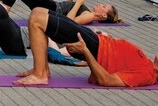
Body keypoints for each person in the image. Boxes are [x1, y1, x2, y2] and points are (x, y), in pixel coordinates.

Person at [15, 7, 158, 87]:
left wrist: (85, 51)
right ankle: (42, 69)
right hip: (96, 41)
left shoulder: (147, 75)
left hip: (93, 48)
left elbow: (106, 80)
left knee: (37, 21)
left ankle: (40, 75)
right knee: (38, 11)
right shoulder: (147, 64)